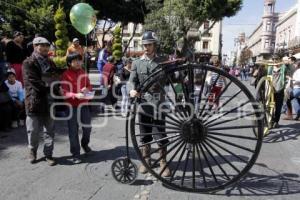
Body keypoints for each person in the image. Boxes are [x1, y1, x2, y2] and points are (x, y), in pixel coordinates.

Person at [128, 31, 171, 177]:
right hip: (144, 103)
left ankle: (163, 162)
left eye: (150, 44)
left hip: (159, 102)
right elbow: (131, 80)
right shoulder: (137, 62)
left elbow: (173, 76)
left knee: (161, 134)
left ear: (154, 45)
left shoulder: (163, 61)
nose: (147, 47)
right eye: (145, 45)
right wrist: (132, 90)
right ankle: (146, 160)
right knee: (145, 134)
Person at [23, 37, 57, 166]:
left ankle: (48, 154)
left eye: (47, 46)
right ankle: (32, 150)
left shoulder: (51, 62)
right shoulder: (28, 62)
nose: (45, 48)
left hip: (50, 101)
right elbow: (34, 83)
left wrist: (56, 85)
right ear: (35, 46)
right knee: (33, 130)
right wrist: (52, 85)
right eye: (41, 45)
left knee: (50, 130)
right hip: (34, 101)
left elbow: (57, 77)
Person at [61, 52, 93, 164]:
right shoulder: (65, 74)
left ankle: (85, 144)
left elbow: (90, 85)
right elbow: (64, 92)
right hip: (71, 106)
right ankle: (75, 153)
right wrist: (75, 95)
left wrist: (87, 89)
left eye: (79, 60)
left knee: (87, 128)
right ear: (69, 63)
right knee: (73, 131)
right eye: (75, 61)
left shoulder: (83, 72)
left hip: (84, 104)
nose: (79, 62)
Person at [268, 58, 290, 128]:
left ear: (280, 60)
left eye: (277, 60)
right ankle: (270, 121)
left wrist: (285, 62)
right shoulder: (270, 67)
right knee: (269, 106)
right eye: (274, 60)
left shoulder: (283, 68)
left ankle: (276, 121)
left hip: (279, 89)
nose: (275, 61)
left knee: (278, 107)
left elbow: (288, 66)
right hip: (271, 89)